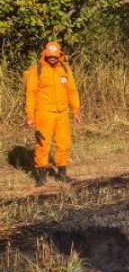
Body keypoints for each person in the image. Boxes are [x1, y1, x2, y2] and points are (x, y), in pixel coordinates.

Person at [24, 41, 81, 187]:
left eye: (55, 56)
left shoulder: (65, 69)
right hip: (44, 113)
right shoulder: (36, 69)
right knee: (42, 144)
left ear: (60, 55)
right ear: (45, 55)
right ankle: (41, 176)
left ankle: (62, 173)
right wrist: (29, 115)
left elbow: (72, 91)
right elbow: (30, 94)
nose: (52, 59)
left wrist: (76, 110)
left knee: (64, 143)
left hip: (62, 113)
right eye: (50, 56)